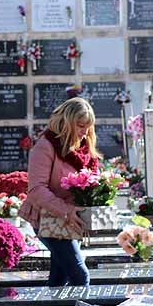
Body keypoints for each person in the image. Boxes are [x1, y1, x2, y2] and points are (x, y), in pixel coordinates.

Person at [21, 97, 99, 287]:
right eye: (80, 126)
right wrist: (66, 210)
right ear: (66, 123)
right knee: (80, 275)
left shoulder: (84, 148)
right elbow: (36, 189)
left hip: (73, 219)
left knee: (60, 276)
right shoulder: (45, 146)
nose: (84, 132)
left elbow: (92, 179)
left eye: (87, 127)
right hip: (47, 218)